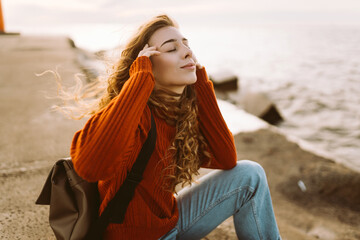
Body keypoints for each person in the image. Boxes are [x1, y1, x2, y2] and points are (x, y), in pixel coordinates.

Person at [69, 14, 281, 240]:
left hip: (169, 226)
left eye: (186, 45)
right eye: (171, 49)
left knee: (250, 174)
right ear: (147, 65)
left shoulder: (175, 114)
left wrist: (201, 84)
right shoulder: (132, 114)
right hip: (132, 235)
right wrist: (139, 79)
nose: (188, 52)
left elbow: (226, 158)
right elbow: (91, 167)